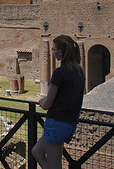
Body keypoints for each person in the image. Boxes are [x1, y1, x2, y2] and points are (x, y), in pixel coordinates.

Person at [32, 35, 85, 169]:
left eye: (54, 49)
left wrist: (42, 102)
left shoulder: (59, 73)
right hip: (69, 123)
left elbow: (47, 103)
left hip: (57, 123)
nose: (52, 52)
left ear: (61, 52)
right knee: (36, 152)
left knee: (55, 165)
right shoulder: (79, 72)